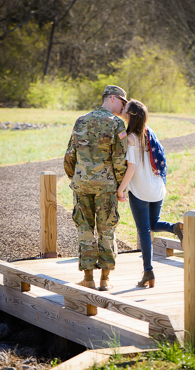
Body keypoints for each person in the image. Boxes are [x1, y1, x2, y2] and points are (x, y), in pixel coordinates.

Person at [64, 85, 128, 291]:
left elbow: (69, 155)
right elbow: (119, 159)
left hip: (81, 185)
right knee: (107, 230)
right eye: (122, 102)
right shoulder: (117, 124)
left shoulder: (81, 120)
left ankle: (88, 277)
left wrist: (76, 177)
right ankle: (105, 279)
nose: (123, 107)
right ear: (111, 99)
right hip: (106, 187)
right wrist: (120, 187)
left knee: (85, 230)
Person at [118, 99, 183, 288]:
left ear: (130, 116)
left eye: (125, 109)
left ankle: (148, 271)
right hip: (157, 187)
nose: (123, 109)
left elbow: (131, 167)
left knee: (144, 231)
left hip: (141, 190)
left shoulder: (130, 138)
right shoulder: (149, 132)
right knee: (153, 224)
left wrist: (121, 189)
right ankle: (175, 228)